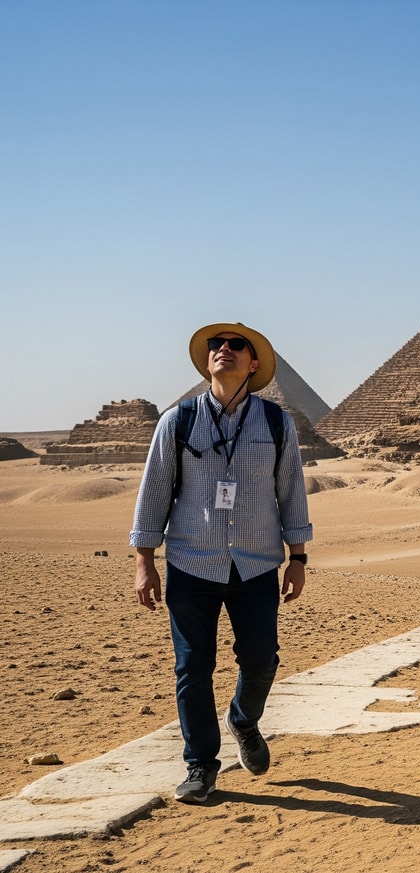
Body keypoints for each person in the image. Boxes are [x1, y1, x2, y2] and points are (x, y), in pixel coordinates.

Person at [130, 323, 311, 803]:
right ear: (206, 360)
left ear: (254, 364)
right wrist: (144, 560)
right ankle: (200, 766)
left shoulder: (276, 422)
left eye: (235, 345)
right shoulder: (177, 421)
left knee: (261, 659)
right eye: (216, 345)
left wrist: (299, 557)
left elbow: (292, 491)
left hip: (256, 564)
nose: (223, 350)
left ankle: (243, 720)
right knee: (193, 667)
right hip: (191, 561)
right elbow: (154, 492)